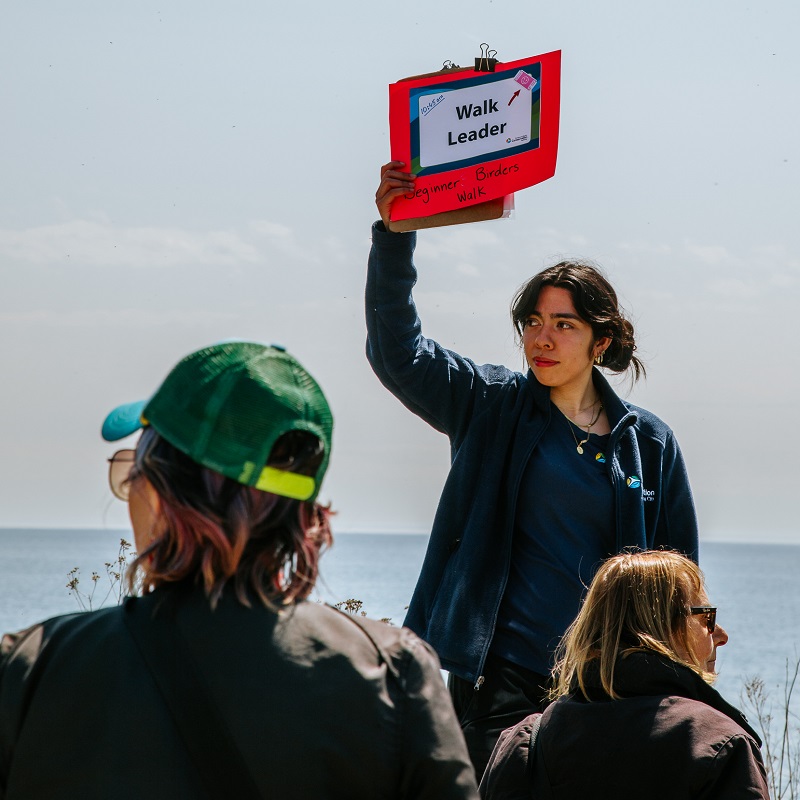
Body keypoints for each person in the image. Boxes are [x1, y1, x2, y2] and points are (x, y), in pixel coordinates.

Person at [0, 341, 480, 800]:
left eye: (134, 472)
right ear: (304, 514)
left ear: (167, 497)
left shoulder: (34, 667)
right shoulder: (393, 672)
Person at [367, 163, 699, 777]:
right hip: (500, 683)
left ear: (601, 342)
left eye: (563, 325)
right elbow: (399, 353)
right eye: (532, 323)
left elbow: (679, 583)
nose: (541, 339)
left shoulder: (649, 444)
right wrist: (394, 236)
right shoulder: (489, 404)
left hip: (608, 688)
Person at [479, 549, 770, 799]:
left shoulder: (525, 742)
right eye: (707, 617)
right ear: (660, 628)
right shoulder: (720, 744)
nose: (721, 635)